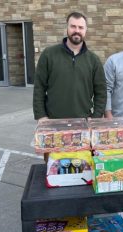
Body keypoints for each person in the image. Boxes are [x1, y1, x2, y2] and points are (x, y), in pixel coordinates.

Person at [33, 12, 107, 161]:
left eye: (81, 27)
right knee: (54, 166)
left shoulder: (93, 60)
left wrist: (95, 117)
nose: (77, 30)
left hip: (83, 124)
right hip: (53, 123)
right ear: (67, 28)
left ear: (85, 30)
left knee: (81, 166)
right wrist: (41, 116)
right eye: (73, 26)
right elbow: (39, 87)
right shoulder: (49, 54)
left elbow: (101, 91)